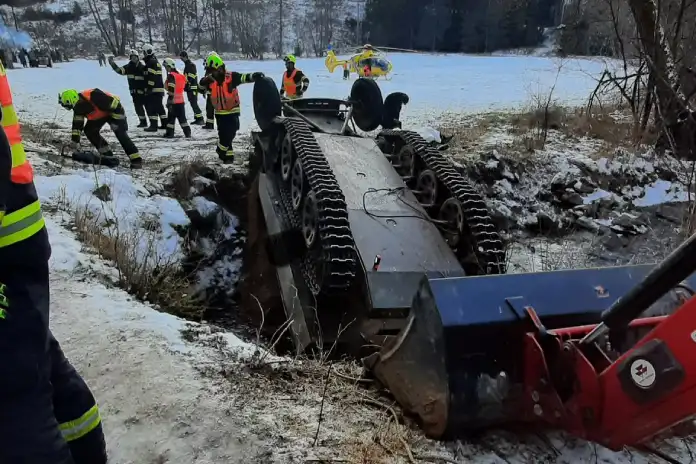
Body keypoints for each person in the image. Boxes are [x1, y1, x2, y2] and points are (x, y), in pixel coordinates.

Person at [0, 60, 107, 464]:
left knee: (13, 403)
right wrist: (77, 141)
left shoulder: (94, 96)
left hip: (9, 235)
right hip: (16, 230)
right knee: (40, 366)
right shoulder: (79, 105)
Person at [199, 53, 264, 163]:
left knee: (230, 133)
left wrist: (254, 76)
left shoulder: (231, 77)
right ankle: (228, 158)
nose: (210, 73)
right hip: (220, 114)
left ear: (219, 68)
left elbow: (244, 78)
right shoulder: (209, 81)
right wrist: (204, 81)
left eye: (212, 70)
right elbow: (200, 89)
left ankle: (220, 150)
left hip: (232, 112)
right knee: (224, 136)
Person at [58, 88, 143, 169]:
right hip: (99, 115)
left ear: (73, 100)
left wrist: (117, 123)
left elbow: (115, 106)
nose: (69, 108)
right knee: (89, 131)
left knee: (120, 133)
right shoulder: (77, 107)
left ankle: (136, 159)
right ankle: (107, 155)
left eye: (68, 106)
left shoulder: (94, 96)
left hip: (114, 112)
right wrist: (75, 141)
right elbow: (77, 125)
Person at [108, 50, 151, 128]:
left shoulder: (142, 67)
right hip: (134, 92)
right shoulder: (128, 67)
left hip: (144, 92)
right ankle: (143, 122)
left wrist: (147, 89)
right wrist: (112, 63)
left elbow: (148, 79)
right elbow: (119, 71)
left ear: (138, 58)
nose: (133, 59)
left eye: (135, 57)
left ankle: (152, 123)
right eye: (132, 57)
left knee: (148, 107)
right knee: (138, 108)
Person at [162, 58, 191, 138]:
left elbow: (171, 88)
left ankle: (169, 133)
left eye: (166, 67)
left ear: (169, 66)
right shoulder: (180, 75)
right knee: (182, 119)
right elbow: (187, 86)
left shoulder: (171, 76)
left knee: (170, 120)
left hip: (173, 101)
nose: (165, 69)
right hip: (181, 101)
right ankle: (187, 133)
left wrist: (170, 101)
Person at [141, 44, 167, 132]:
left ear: (147, 52)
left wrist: (149, 88)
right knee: (160, 108)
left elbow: (151, 77)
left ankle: (153, 125)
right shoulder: (155, 61)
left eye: (144, 52)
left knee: (152, 108)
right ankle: (164, 123)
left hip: (154, 90)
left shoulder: (151, 63)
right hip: (159, 89)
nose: (143, 54)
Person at [179, 51, 204, 125]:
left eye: (182, 58)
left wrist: (188, 83)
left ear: (185, 56)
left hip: (192, 88)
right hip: (189, 88)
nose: (181, 59)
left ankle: (200, 119)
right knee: (193, 103)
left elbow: (191, 76)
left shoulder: (191, 65)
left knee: (194, 104)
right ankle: (197, 118)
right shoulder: (188, 65)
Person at [199, 51, 217, 130]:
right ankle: (209, 124)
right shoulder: (216, 69)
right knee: (210, 109)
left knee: (210, 109)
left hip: (212, 93)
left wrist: (203, 90)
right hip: (213, 92)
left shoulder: (211, 71)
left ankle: (210, 125)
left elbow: (207, 81)